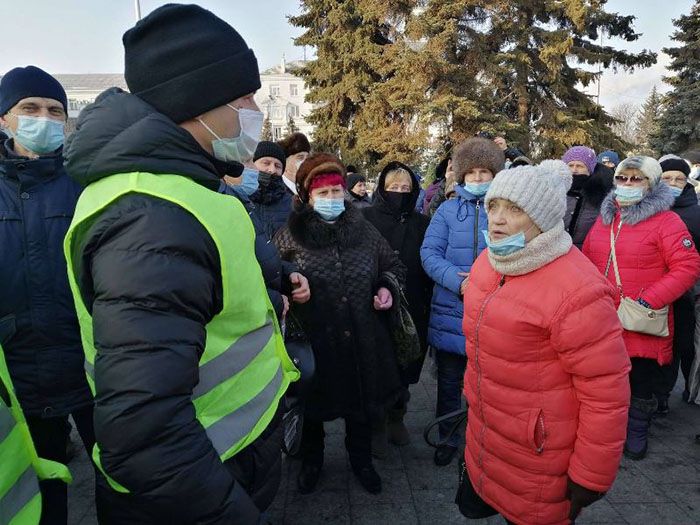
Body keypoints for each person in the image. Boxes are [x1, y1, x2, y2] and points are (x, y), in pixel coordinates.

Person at [62, 5, 298, 523]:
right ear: (196, 104)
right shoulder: (152, 217)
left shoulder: (183, 188)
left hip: (223, 461)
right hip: (195, 488)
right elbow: (143, 434)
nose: (256, 109)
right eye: (244, 97)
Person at [460, 159, 631, 525]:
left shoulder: (576, 289)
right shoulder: (487, 263)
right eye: (494, 206)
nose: (498, 219)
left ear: (542, 219)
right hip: (489, 438)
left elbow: (605, 391)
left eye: (515, 209)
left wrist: (591, 476)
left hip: (540, 457)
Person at [274, 153, 405, 495]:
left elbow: (392, 264)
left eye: (336, 192)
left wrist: (385, 287)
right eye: (323, 194)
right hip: (315, 338)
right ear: (307, 197)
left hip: (363, 334)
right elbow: (272, 278)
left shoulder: (364, 228)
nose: (332, 200)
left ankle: (361, 461)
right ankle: (312, 461)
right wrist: (288, 287)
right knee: (313, 405)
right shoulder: (289, 236)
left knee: (360, 407)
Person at [0, 65, 95, 525]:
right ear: (4, 119)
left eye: (55, 110)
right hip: (23, 375)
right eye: (30, 108)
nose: (44, 118)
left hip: (92, 368)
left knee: (121, 480)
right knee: (45, 494)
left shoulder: (86, 184)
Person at [583, 156, 700, 460]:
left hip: (642, 318)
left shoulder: (666, 221)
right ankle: (610, 429)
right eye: (623, 178)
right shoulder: (605, 218)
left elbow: (687, 266)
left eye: (637, 179)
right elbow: (588, 258)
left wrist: (650, 299)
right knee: (607, 380)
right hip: (604, 318)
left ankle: (637, 429)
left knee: (641, 382)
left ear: (651, 185)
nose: (628, 184)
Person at [420, 137, 504, 466]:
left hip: (496, 309)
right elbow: (429, 254)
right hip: (452, 310)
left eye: (486, 172)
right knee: (450, 380)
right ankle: (448, 435)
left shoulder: (505, 210)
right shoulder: (447, 210)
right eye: (473, 172)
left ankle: (486, 439)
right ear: (462, 176)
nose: (480, 178)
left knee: (491, 383)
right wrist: (460, 281)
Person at [362, 161, 432, 451]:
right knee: (377, 362)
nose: (399, 193)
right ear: (382, 188)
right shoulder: (365, 218)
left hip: (413, 301)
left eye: (405, 188)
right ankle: (375, 423)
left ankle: (397, 415)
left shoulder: (421, 222)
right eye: (393, 187)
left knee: (406, 361)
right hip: (375, 301)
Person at [652, 157, 700, 412]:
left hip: (685, 294)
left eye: (679, 179)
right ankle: (656, 393)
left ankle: (673, 392)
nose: (673, 183)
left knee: (679, 344)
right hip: (651, 289)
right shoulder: (649, 208)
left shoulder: (695, 212)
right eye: (667, 178)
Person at [562, 145, 614, 249]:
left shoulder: (602, 193)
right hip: (557, 251)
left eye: (580, 166)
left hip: (588, 252)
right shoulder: (556, 189)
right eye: (570, 165)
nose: (574, 170)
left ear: (589, 169)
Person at [250, 140, 293, 238]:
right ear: (253, 164)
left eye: (277, 166)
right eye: (266, 163)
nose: (272, 170)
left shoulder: (291, 204)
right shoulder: (240, 197)